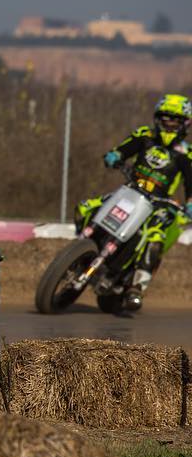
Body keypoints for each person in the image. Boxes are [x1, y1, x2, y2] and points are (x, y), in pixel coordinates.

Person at [82, 93, 192, 309]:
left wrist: (190, 203)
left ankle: (136, 287)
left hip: (160, 203)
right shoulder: (145, 135)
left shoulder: (187, 153)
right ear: (157, 118)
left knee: (155, 236)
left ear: (184, 123)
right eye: (165, 117)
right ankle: (81, 250)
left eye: (175, 119)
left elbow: (191, 183)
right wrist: (114, 156)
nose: (169, 123)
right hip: (131, 191)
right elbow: (123, 150)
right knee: (86, 207)